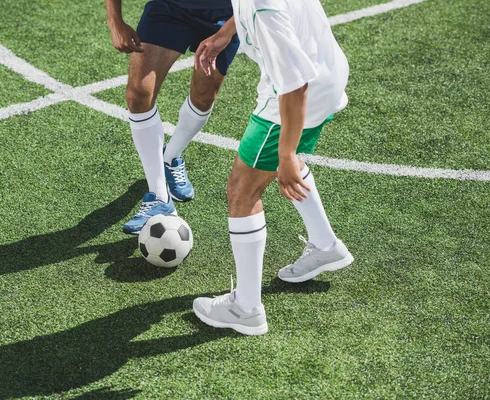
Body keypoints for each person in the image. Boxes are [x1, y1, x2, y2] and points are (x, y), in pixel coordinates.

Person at [192, 0, 355, 335]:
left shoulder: (262, 8)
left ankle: (246, 309)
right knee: (275, 166)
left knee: (243, 187)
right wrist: (226, 32)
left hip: (300, 93)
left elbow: (295, 87)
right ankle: (326, 246)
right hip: (329, 72)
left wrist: (286, 155)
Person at [105, 0, 240, 234]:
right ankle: (159, 198)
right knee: (138, 95)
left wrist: (227, 31)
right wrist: (114, 20)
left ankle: (171, 156)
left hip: (223, 16)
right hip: (169, 8)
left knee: (204, 96)